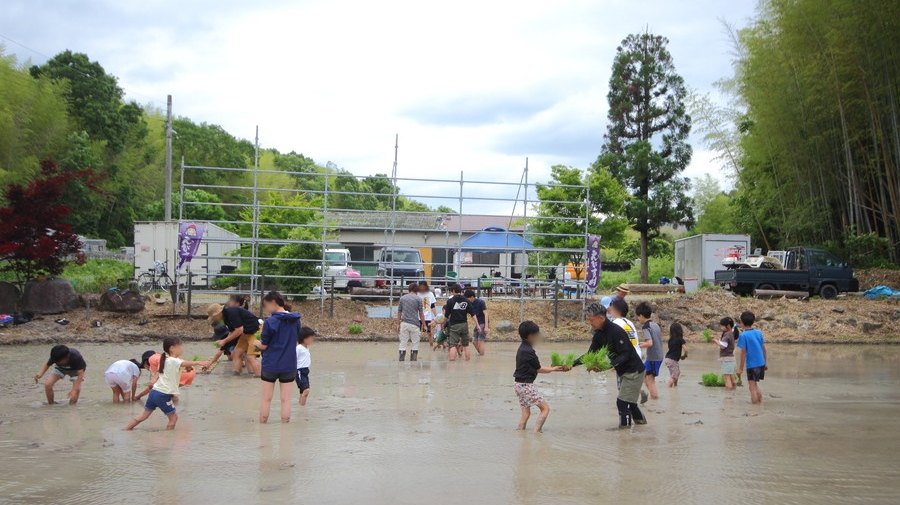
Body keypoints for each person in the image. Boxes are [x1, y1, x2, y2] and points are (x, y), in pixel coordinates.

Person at [575, 303, 647, 428]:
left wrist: (607, 366)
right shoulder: (599, 335)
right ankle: (641, 424)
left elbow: (626, 354)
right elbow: (590, 354)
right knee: (630, 402)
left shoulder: (616, 331)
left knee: (622, 402)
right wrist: (571, 364)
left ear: (601, 318)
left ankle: (624, 431)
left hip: (634, 371)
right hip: (623, 371)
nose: (590, 323)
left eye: (591, 320)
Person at [125, 337, 208, 431]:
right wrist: (199, 362)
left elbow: (177, 367)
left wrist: (189, 367)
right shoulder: (172, 360)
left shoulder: (166, 359)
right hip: (162, 395)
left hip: (154, 393)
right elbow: (183, 363)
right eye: (180, 346)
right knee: (173, 418)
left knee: (143, 416)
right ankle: (169, 437)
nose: (182, 349)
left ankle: (126, 430)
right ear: (172, 348)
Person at [254, 291, 300, 424]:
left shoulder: (270, 322)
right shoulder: (296, 320)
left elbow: (264, 345)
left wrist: (256, 343)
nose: (266, 309)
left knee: (266, 399)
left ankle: (263, 427)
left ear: (273, 303)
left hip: (271, 365)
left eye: (265, 305)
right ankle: (285, 428)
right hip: (289, 364)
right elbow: (295, 341)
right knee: (286, 400)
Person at [514, 321, 567, 433]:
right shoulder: (529, 351)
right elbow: (539, 369)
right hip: (526, 385)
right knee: (545, 409)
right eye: (537, 335)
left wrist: (552, 368)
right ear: (530, 336)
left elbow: (535, 368)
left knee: (525, 413)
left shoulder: (522, 348)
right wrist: (554, 369)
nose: (538, 337)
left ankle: (520, 433)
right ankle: (536, 433)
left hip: (518, 385)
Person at [207, 297, 261, 376]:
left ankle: (258, 376)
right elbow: (232, 332)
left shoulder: (232, 313)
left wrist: (224, 341)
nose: (214, 319)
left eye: (214, 317)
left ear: (218, 314)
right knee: (236, 353)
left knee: (250, 356)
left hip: (256, 332)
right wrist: (224, 341)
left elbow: (239, 330)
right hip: (245, 334)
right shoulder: (226, 318)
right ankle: (236, 374)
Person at [736, 311, 767, 404]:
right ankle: (760, 403)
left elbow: (743, 353)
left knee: (751, 387)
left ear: (742, 322)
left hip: (752, 365)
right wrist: (765, 363)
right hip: (761, 363)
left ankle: (755, 408)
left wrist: (740, 369)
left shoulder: (743, 335)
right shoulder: (758, 332)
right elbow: (764, 349)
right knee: (755, 384)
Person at [635, 301, 663, 401]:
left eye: (638, 317)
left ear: (641, 315)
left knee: (650, 380)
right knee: (643, 375)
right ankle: (649, 396)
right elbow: (654, 341)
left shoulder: (646, 327)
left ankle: (654, 400)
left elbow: (650, 343)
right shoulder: (655, 325)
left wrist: (637, 346)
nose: (638, 319)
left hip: (653, 358)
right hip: (657, 356)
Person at [443, 284, 476, 361]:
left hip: (454, 325)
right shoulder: (466, 300)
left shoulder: (450, 301)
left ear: (453, 291)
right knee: (466, 345)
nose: (451, 293)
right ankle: (467, 361)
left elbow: (446, 315)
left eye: (451, 291)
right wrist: (477, 324)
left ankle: (452, 362)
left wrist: (444, 324)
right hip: (464, 324)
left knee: (452, 345)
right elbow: (473, 314)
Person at [398, 283, 425, 362]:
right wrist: (424, 325)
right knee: (415, 344)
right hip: (415, 324)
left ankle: (401, 362)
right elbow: (421, 313)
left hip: (404, 323)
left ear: (409, 289)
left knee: (403, 343)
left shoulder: (402, 298)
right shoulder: (418, 299)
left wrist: (398, 324)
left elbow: (399, 312)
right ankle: (413, 363)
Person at [716, 317, 739, 390]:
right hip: (731, 359)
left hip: (727, 359)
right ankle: (733, 392)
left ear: (728, 326)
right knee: (731, 376)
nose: (721, 327)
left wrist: (716, 341)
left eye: (722, 326)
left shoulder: (727, 334)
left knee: (727, 377)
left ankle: (728, 394)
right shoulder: (731, 333)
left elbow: (723, 346)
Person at [296, 326, 315, 406]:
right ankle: (302, 407)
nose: (312, 339)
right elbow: (293, 359)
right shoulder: (299, 348)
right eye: (311, 338)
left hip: (305, 371)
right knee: (306, 390)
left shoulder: (306, 348)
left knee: (302, 391)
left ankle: (301, 407)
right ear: (304, 338)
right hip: (299, 371)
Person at [467, 289, 489, 356]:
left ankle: (481, 357)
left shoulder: (480, 302)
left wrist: (486, 326)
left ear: (472, 297)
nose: (467, 300)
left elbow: (486, 314)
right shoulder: (469, 304)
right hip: (478, 324)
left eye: (467, 298)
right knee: (474, 341)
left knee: (480, 341)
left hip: (483, 323)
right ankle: (481, 355)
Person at [664, 323, 686, 387]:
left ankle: (675, 386)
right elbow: (686, 349)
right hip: (672, 360)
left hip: (667, 359)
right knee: (675, 374)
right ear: (680, 330)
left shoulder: (670, 340)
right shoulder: (680, 339)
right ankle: (669, 388)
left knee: (675, 373)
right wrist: (684, 355)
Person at [418, 281, 438, 345]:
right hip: (418, 316)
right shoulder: (417, 294)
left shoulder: (430, 294)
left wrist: (436, 315)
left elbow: (432, 306)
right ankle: (415, 346)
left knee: (429, 332)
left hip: (427, 317)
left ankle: (431, 344)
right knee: (416, 333)